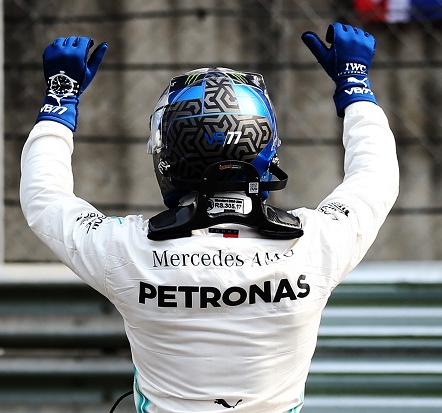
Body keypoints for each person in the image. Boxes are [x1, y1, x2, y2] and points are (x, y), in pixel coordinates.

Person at [20, 23, 398, 412]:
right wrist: (355, 86)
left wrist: (60, 98)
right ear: (266, 150)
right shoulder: (315, 244)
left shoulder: (127, 250)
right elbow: (376, 177)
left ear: (168, 154)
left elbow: (44, 197)